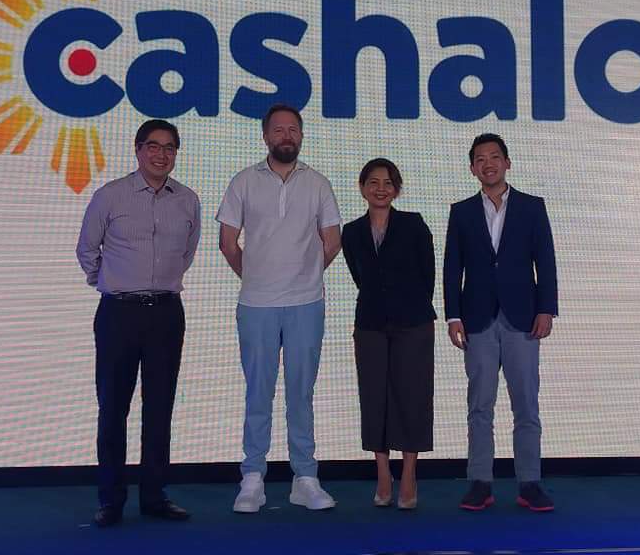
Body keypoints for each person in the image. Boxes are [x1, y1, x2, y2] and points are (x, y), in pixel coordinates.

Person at [217, 103, 342, 513]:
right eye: (278, 130)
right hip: (257, 305)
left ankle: (305, 478)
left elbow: (332, 242)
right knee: (258, 391)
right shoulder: (243, 181)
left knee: (301, 393)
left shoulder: (318, 183)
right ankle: (252, 478)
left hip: (306, 303)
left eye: (293, 129)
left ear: (301, 136)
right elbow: (227, 243)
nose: (286, 136)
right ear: (265, 136)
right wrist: (257, 275)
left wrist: (304, 275)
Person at [76, 119, 201, 527]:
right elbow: (87, 250)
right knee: (113, 407)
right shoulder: (110, 195)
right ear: (138, 149)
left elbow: (186, 253)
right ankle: (111, 500)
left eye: (169, 148)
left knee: (160, 407)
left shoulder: (188, 200)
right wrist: (114, 283)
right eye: (153, 146)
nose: (161, 154)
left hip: (166, 313)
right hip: (119, 313)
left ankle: (154, 496)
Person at [443, 133, 558, 513]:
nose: (488, 164)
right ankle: (480, 482)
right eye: (480, 159)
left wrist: (546, 309)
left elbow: (545, 261)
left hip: (523, 318)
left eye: (494, 157)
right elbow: (452, 268)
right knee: (480, 405)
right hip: (477, 319)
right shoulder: (461, 212)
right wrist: (453, 315)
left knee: (526, 404)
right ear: (472, 168)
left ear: (507, 163)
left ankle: (530, 483)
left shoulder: (532, 207)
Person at [341, 158, 436, 510]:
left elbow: (427, 274)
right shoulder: (351, 232)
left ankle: (409, 474)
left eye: (388, 183)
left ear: (396, 189)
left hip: (413, 323)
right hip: (370, 324)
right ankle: (383, 474)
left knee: (412, 397)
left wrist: (406, 306)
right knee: (374, 398)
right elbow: (360, 277)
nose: (380, 189)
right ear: (362, 187)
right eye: (373, 182)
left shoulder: (413, 224)